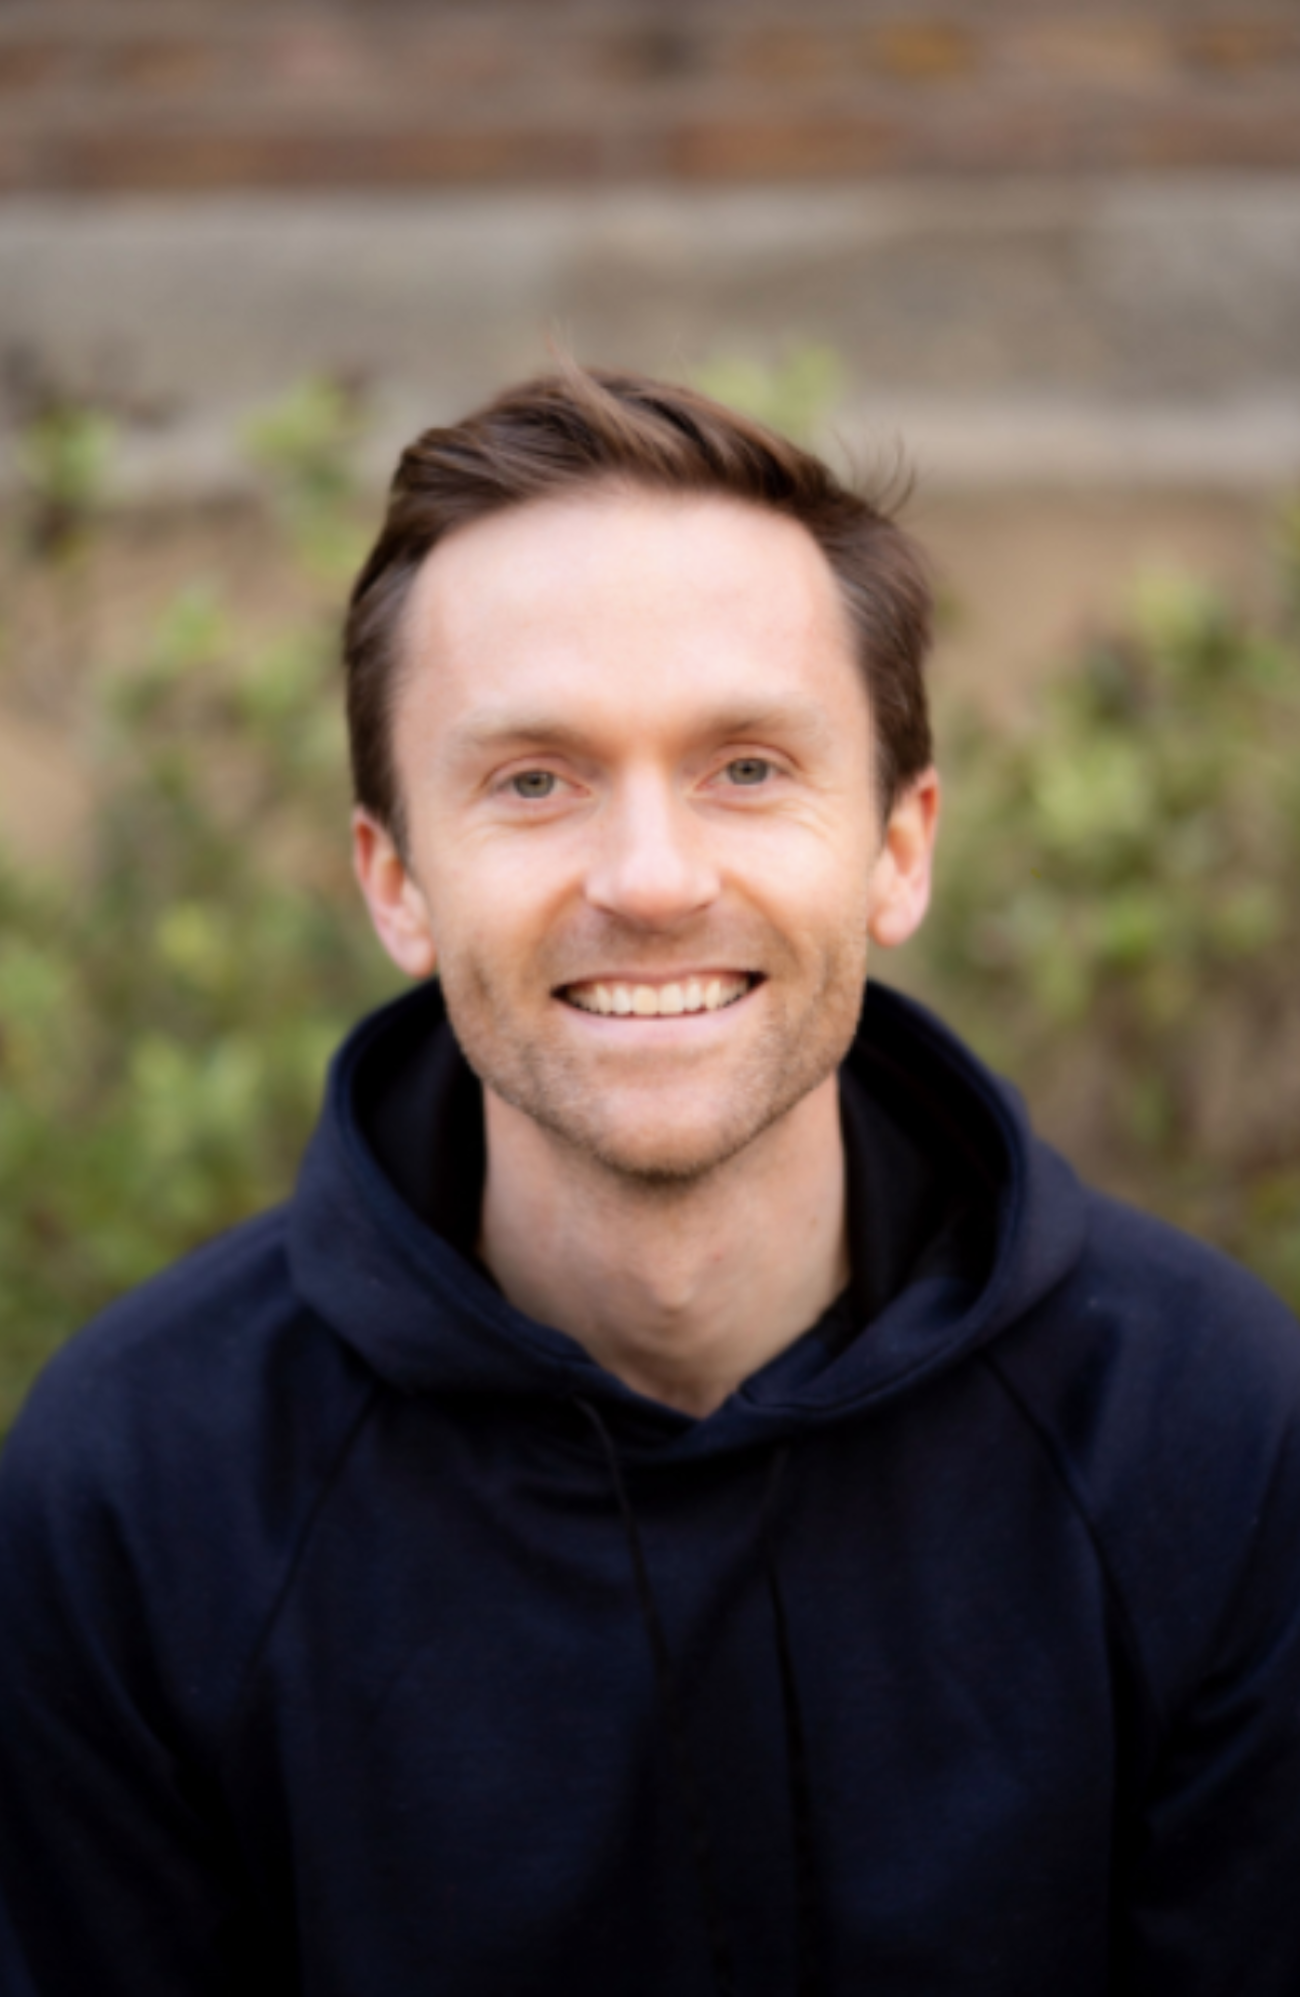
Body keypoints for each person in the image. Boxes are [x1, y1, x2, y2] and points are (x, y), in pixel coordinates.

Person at [1, 366, 1299, 1997]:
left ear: (899, 849)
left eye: (746, 767)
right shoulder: (138, 1491)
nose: (651, 879)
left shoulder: (1209, 1431)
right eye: (533, 780)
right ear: (397, 885)